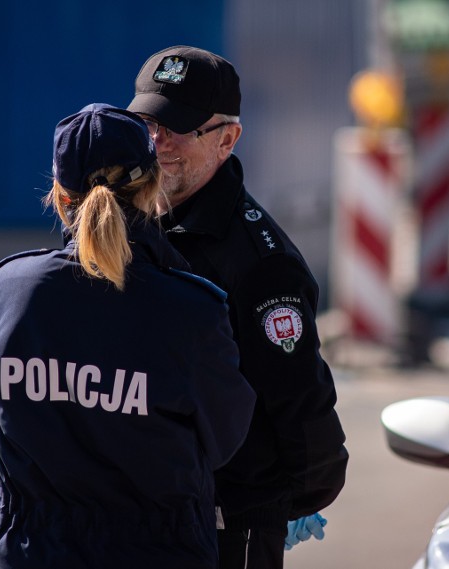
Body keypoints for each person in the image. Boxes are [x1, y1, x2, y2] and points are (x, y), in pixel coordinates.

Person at [0, 103, 256, 569]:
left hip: (28, 552)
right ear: (152, 187)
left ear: (61, 196)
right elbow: (224, 440)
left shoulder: (11, 289)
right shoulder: (193, 309)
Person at [127, 46, 349, 568]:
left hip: (225, 529)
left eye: (177, 128)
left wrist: (284, 505)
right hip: (143, 515)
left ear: (227, 139)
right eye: (148, 125)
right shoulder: (128, 224)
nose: (158, 143)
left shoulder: (261, 265)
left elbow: (301, 409)